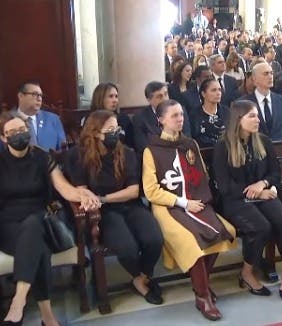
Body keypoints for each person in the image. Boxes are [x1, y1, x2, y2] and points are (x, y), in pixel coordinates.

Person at [0, 113, 100, 326]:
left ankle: (18, 302)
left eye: (22, 130)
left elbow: (63, 188)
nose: (19, 135)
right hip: (7, 225)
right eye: (12, 132)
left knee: (34, 225)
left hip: (39, 217)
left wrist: (84, 194)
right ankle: (48, 316)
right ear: (3, 138)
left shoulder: (42, 157)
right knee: (39, 246)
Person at [142, 100, 236, 320]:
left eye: (181, 114)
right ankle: (203, 296)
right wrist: (183, 203)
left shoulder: (190, 144)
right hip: (167, 206)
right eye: (174, 115)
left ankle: (200, 284)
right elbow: (151, 191)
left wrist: (199, 201)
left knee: (226, 231)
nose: (180, 118)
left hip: (196, 201)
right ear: (161, 120)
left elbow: (201, 175)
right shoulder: (151, 150)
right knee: (191, 242)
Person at [66, 110, 164, 304]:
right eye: (110, 129)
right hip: (102, 213)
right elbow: (84, 192)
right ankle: (139, 279)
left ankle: (142, 276)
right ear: (95, 132)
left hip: (130, 205)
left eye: (117, 128)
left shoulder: (126, 152)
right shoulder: (78, 155)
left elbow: (133, 191)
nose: (116, 133)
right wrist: (99, 201)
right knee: (127, 248)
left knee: (154, 240)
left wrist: (103, 198)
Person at [213, 100, 282, 299]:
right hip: (235, 200)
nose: (258, 119)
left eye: (257, 115)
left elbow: (275, 174)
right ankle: (247, 272)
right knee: (261, 227)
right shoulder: (223, 146)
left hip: (264, 194)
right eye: (252, 116)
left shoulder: (263, 141)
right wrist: (258, 192)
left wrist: (263, 184)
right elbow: (224, 186)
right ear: (238, 120)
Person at [132, 81, 191, 155]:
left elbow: (187, 137)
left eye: (166, 94)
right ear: (149, 100)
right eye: (159, 96)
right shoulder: (140, 118)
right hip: (155, 158)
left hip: (180, 153)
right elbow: (142, 146)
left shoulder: (179, 111)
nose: (165, 99)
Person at [240, 62, 282, 141]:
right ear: (254, 78)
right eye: (266, 74)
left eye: (271, 73)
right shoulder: (243, 103)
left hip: (279, 149)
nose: (270, 76)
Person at [10, 81, 66, 152]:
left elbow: (63, 150)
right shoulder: (8, 120)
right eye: (35, 94)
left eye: (41, 95)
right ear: (21, 96)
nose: (39, 99)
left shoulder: (53, 119)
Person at [89, 83, 134, 148]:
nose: (115, 100)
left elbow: (131, 144)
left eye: (116, 96)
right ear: (100, 98)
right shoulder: (91, 120)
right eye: (110, 96)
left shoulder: (123, 119)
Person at [189, 78, 228, 148]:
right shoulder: (194, 114)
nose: (218, 93)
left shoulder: (226, 112)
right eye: (214, 90)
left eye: (219, 89)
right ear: (203, 94)